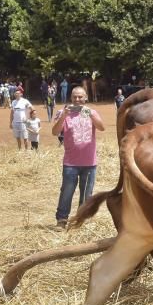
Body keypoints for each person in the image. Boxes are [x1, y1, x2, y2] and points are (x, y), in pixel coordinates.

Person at [52, 86, 105, 227]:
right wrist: (63, 115)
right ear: (71, 98)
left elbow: (101, 127)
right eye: (75, 97)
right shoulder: (62, 112)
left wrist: (91, 114)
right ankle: (62, 220)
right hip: (70, 163)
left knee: (86, 194)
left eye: (80, 97)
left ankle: (80, 220)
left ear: (86, 98)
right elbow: (55, 132)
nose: (77, 100)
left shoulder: (91, 112)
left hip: (89, 162)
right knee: (66, 192)